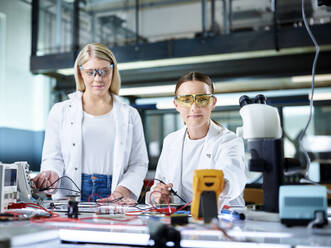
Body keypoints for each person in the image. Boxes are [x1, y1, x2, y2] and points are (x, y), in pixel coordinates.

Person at [33, 43, 148, 204]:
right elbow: (53, 157)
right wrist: (51, 173)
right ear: (80, 72)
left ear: (113, 71)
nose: (98, 78)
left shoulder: (129, 114)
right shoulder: (60, 111)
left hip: (115, 191)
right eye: (90, 72)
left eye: (104, 71)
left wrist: (123, 189)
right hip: (71, 191)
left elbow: (139, 162)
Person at [147, 72, 246, 206]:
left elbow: (234, 178)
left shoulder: (229, 141)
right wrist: (159, 197)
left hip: (222, 218)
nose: (194, 107)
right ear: (176, 104)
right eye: (186, 100)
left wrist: (221, 184)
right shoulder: (171, 141)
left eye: (202, 99)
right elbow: (158, 186)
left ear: (213, 102)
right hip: (181, 219)